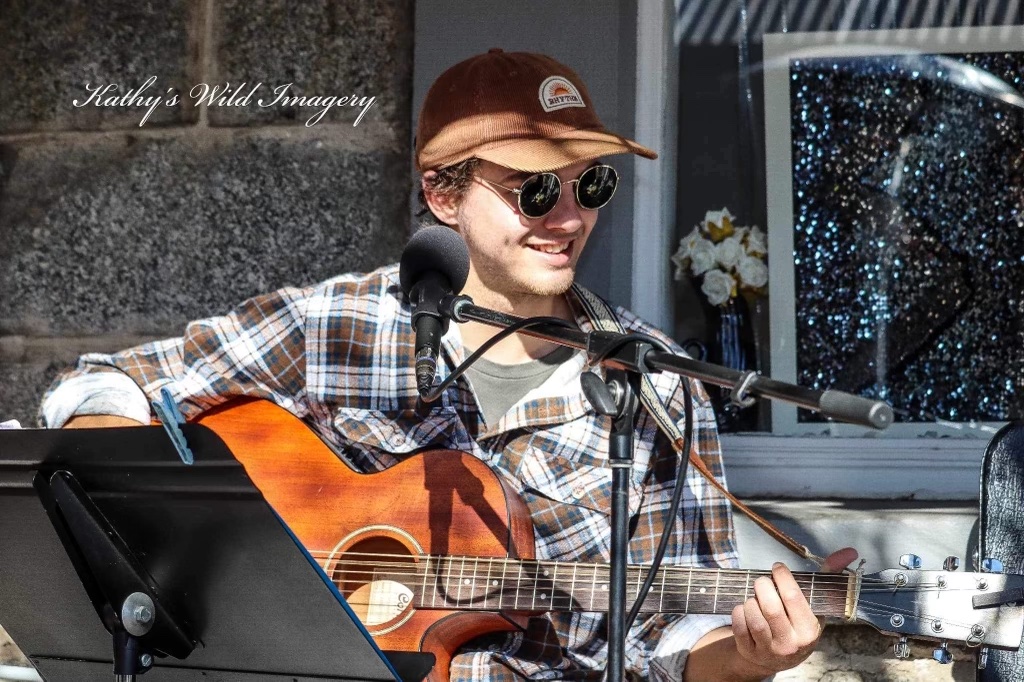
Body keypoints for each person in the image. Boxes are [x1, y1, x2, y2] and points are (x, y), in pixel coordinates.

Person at [41, 49, 855, 681]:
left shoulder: (658, 383)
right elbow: (110, 382)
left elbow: (670, 635)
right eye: (536, 191)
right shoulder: (342, 323)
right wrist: (166, 516)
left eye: (591, 184)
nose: (569, 218)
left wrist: (746, 658)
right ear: (442, 193)